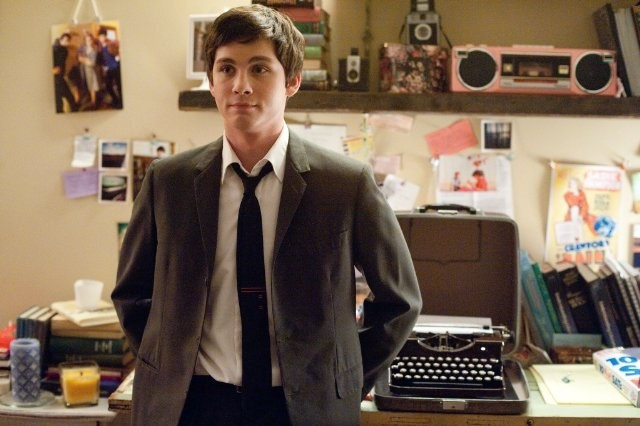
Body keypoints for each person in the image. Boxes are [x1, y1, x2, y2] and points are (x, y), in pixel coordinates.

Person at [112, 4, 421, 426]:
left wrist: (341, 380)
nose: (240, 85)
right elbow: (132, 294)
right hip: (192, 406)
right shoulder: (168, 182)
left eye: (259, 69)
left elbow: (399, 302)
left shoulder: (346, 184)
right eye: (226, 69)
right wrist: (167, 367)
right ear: (211, 82)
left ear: (292, 81)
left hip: (303, 411)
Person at [52, 33, 78, 113]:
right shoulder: (53, 49)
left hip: (61, 77)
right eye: (66, 40)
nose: (67, 42)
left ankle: (75, 112)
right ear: (61, 40)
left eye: (68, 41)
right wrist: (52, 70)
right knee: (58, 102)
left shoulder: (65, 50)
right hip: (54, 78)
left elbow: (63, 64)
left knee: (70, 98)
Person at [97, 28, 122, 108]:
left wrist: (118, 57)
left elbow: (118, 49)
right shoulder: (100, 47)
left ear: (105, 36)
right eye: (100, 36)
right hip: (108, 69)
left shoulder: (110, 43)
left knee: (119, 85)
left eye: (103, 36)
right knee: (108, 86)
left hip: (115, 67)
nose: (102, 38)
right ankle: (116, 100)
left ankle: (121, 102)